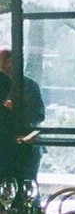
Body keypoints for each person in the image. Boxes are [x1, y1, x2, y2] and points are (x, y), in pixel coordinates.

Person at [0, 48, 45, 184]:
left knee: (26, 184)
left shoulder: (30, 85)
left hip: (26, 147)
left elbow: (39, 115)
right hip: (13, 148)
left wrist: (18, 111)